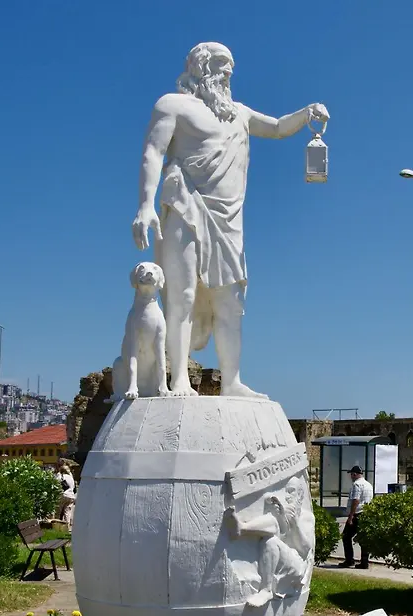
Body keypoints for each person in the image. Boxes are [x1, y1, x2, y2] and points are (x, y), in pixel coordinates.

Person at [130, 41, 329, 399]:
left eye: (231, 67)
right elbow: (153, 152)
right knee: (182, 293)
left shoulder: (240, 114)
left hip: (228, 220)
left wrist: (307, 113)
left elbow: (278, 127)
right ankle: (179, 379)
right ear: (201, 66)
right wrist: (145, 205)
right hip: (185, 202)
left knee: (231, 303)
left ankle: (232, 382)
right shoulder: (173, 105)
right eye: (222, 64)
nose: (228, 72)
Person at [338, 465, 373, 569]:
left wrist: (351, 516)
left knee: (346, 537)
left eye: (351, 474)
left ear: (355, 474)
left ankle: (349, 560)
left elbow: (356, 500)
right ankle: (364, 562)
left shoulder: (356, 485)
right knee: (363, 538)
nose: (351, 476)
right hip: (366, 513)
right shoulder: (368, 484)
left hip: (357, 514)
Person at [55, 459, 77, 530]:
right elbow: (74, 487)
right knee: (67, 513)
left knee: (58, 512)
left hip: (63, 495)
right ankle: (67, 528)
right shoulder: (71, 477)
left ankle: (57, 528)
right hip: (71, 496)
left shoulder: (60, 477)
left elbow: (55, 485)